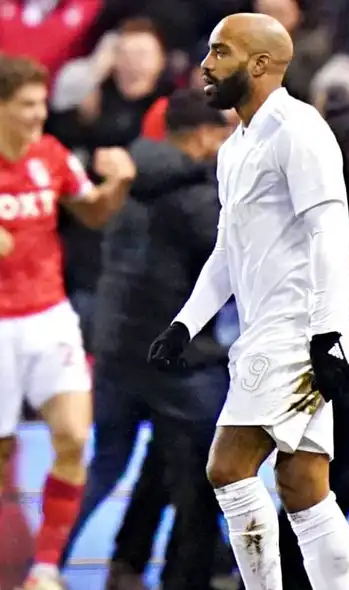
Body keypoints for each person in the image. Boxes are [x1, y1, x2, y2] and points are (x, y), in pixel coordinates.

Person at [146, 13, 349, 590]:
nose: (205, 65)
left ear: (261, 64)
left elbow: (328, 232)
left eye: (221, 52)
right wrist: (185, 324)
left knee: (228, 468)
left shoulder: (299, 130)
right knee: (303, 485)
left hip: (298, 330)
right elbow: (227, 251)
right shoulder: (234, 147)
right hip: (264, 328)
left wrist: (329, 333)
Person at [62, 88, 233, 590]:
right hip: (175, 357)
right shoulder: (196, 193)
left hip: (116, 344)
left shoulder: (127, 174)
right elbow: (236, 260)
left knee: (108, 464)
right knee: (212, 460)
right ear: (204, 137)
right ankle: (195, 572)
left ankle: (46, 561)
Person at [0, 54, 136, 590]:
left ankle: (46, 568)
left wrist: (118, 184)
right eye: (27, 105)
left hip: (49, 316)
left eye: (41, 103)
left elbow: (94, 211)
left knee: (75, 436)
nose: (39, 114)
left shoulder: (52, 155)